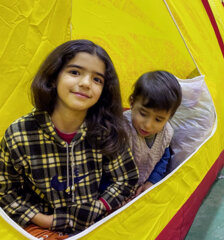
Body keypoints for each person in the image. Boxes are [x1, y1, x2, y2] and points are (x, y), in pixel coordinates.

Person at [0, 40, 139, 238]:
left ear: (104, 91)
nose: (85, 83)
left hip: (95, 223)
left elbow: (127, 178)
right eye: (75, 72)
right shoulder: (19, 134)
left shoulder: (106, 130)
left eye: (97, 79)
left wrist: (100, 207)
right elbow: (5, 190)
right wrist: (43, 219)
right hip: (40, 225)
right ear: (54, 77)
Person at [124, 71, 182, 196]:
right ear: (132, 103)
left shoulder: (166, 133)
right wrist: (121, 195)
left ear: (169, 117)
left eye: (158, 119)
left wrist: (152, 181)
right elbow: (108, 170)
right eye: (143, 114)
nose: (148, 125)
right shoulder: (122, 130)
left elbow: (163, 159)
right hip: (118, 191)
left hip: (142, 188)